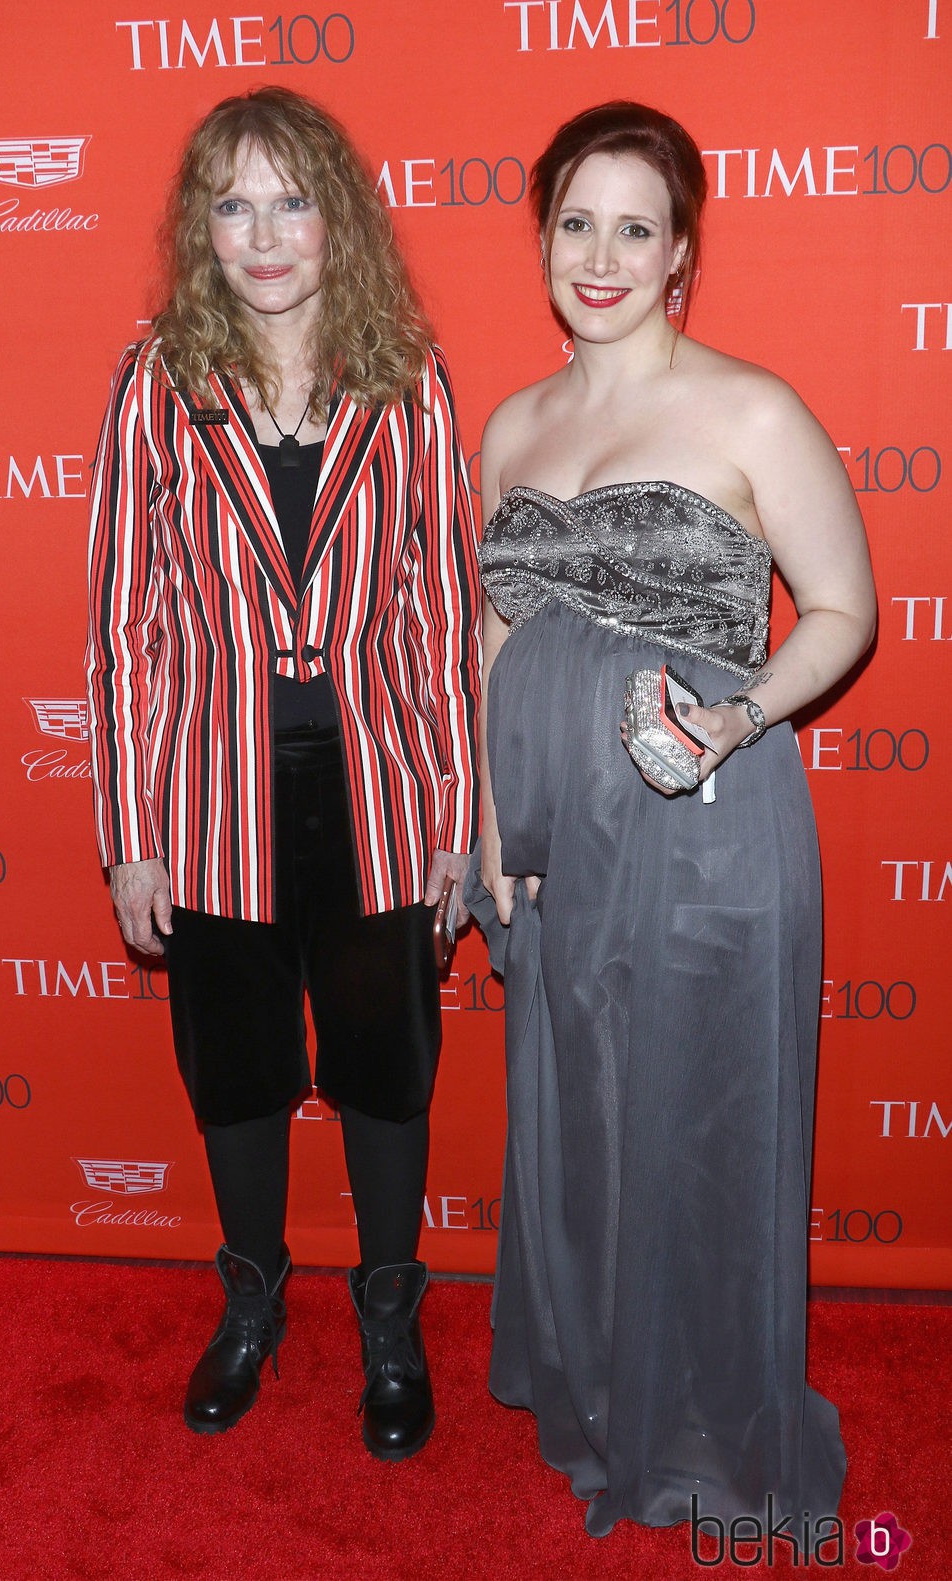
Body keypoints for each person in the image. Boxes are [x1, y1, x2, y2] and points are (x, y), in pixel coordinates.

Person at [466, 102, 875, 1540]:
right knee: (582, 1114)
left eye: (636, 226)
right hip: (553, 845)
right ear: (542, 240)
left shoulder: (750, 408)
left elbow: (844, 611)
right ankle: (596, 1391)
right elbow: (491, 634)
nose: (602, 253)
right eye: (576, 220)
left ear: (681, 250)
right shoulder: (511, 423)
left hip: (703, 820)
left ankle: (704, 1429)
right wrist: (477, 819)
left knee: (696, 1120)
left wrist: (746, 711)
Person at [86, 87, 480, 1461]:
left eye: (292, 199)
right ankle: (252, 1301)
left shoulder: (409, 374)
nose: (264, 234)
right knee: (240, 1074)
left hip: (376, 793)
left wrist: (457, 819)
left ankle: (389, 1314)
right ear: (203, 224)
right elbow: (127, 624)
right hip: (212, 798)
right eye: (233, 202)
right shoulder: (158, 381)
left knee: (385, 1071)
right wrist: (133, 832)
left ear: (340, 220)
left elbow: (439, 617)